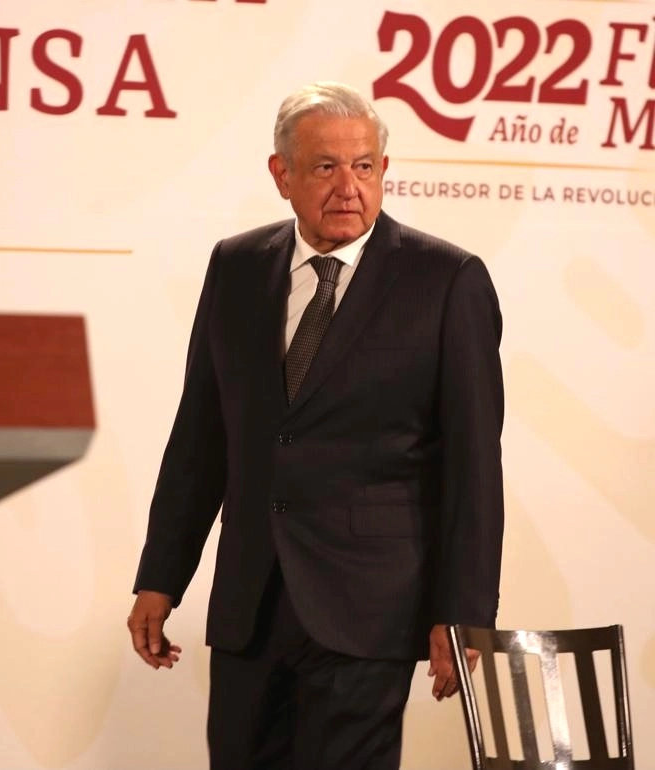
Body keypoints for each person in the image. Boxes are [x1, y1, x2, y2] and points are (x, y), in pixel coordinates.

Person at [126, 81, 504, 769]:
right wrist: (161, 576)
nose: (348, 188)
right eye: (326, 167)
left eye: (364, 166)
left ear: (384, 170)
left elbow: (474, 466)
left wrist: (465, 610)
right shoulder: (236, 267)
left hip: (369, 608)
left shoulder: (447, 280)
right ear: (282, 175)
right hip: (251, 604)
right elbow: (201, 438)